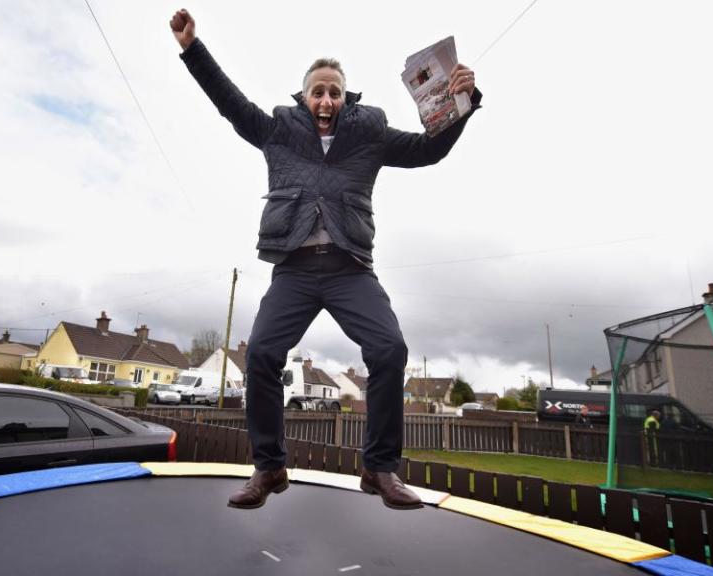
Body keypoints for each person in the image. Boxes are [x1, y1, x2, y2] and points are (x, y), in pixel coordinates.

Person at [169, 9, 482, 510]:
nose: (326, 99)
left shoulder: (369, 132)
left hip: (349, 269)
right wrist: (192, 48)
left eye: (334, 91)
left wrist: (463, 103)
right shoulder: (278, 129)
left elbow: (429, 150)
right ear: (304, 97)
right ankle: (269, 468)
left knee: (389, 350)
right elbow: (229, 102)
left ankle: (379, 470)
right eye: (318, 90)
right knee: (263, 356)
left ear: (345, 98)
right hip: (293, 268)